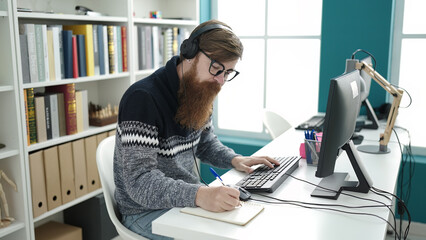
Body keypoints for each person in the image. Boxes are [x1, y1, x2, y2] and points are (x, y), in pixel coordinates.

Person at [113, 19, 278, 239]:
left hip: (183, 200)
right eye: (217, 69)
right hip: (144, 212)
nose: (220, 81)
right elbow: (140, 181)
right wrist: (200, 194)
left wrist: (234, 159)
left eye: (228, 73)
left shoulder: (200, 89)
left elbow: (205, 142)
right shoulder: (143, 98)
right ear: (190, 54)